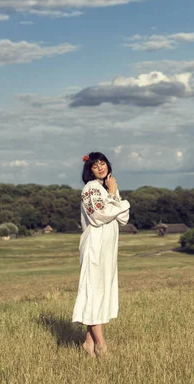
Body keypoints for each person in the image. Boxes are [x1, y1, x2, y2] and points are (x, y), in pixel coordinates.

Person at [73, 152, 131, 357]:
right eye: (95, 165)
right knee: (94, 291)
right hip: (95, 247)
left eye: (103, 163)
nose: (100, 167)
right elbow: (99, 216)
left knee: (101, 291)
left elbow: (123, 217)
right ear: (89, 170)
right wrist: (115, 198)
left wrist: (113, 195)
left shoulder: (107, 189)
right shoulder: (90, 189)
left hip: (107, 248)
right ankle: (101, 345)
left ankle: (88, 344)